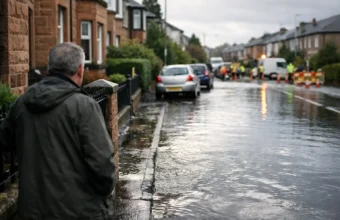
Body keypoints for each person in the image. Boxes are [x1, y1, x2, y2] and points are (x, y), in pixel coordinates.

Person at [0, 42, 115, 219]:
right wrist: (102, 194)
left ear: (49, 68)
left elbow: (4, 141)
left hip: (32, 211)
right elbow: (102, 163)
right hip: (79, 211)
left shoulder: (21, 104)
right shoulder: (84, 106)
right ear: (80, 70)